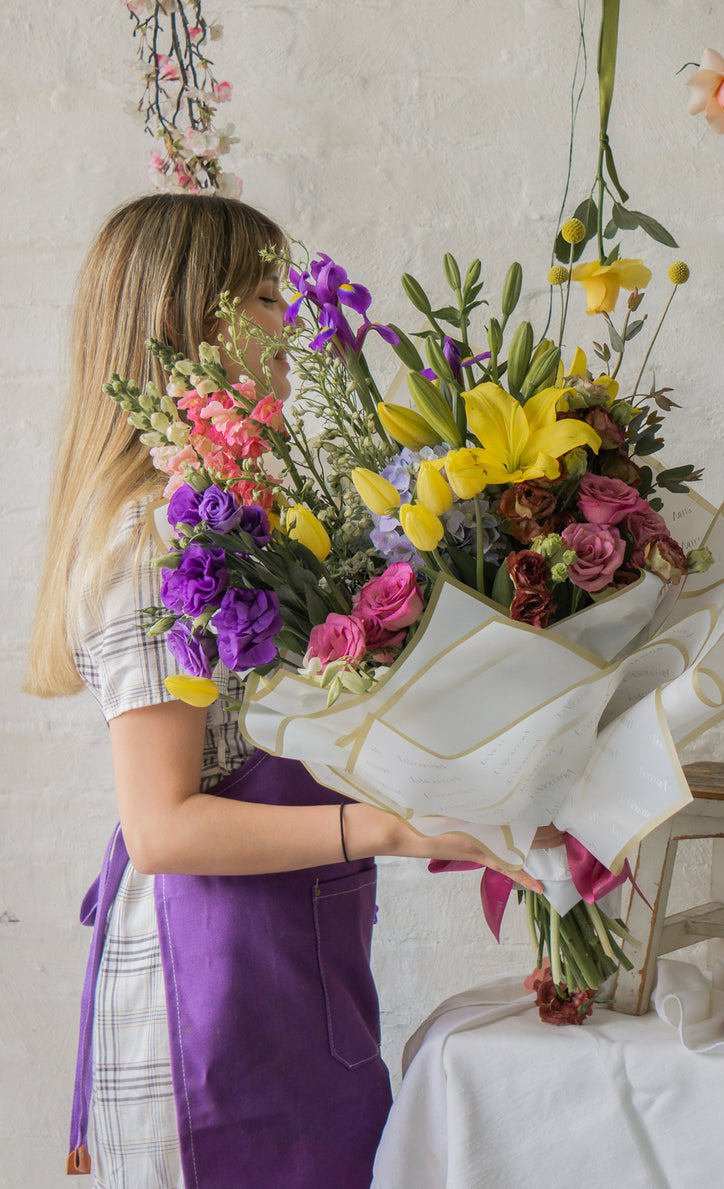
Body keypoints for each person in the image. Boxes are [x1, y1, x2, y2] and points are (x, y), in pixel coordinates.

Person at [26, 192, 559, 1189]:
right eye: (266, 296)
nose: (287, 325)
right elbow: (162, 828)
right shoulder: (154, 540)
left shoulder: (220, 516)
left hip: (276, 962)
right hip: (214, 989)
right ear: (194, 320)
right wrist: (390, 827)